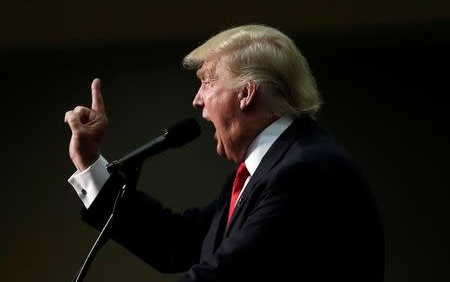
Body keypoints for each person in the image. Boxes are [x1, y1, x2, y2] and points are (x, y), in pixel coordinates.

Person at [65, 24, 385, 281]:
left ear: (246, 94)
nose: (197, 100)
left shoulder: (304, 171)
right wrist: (91, 163)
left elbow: (226, 272)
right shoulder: (270, 169)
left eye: (206, 82)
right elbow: (179, 244)